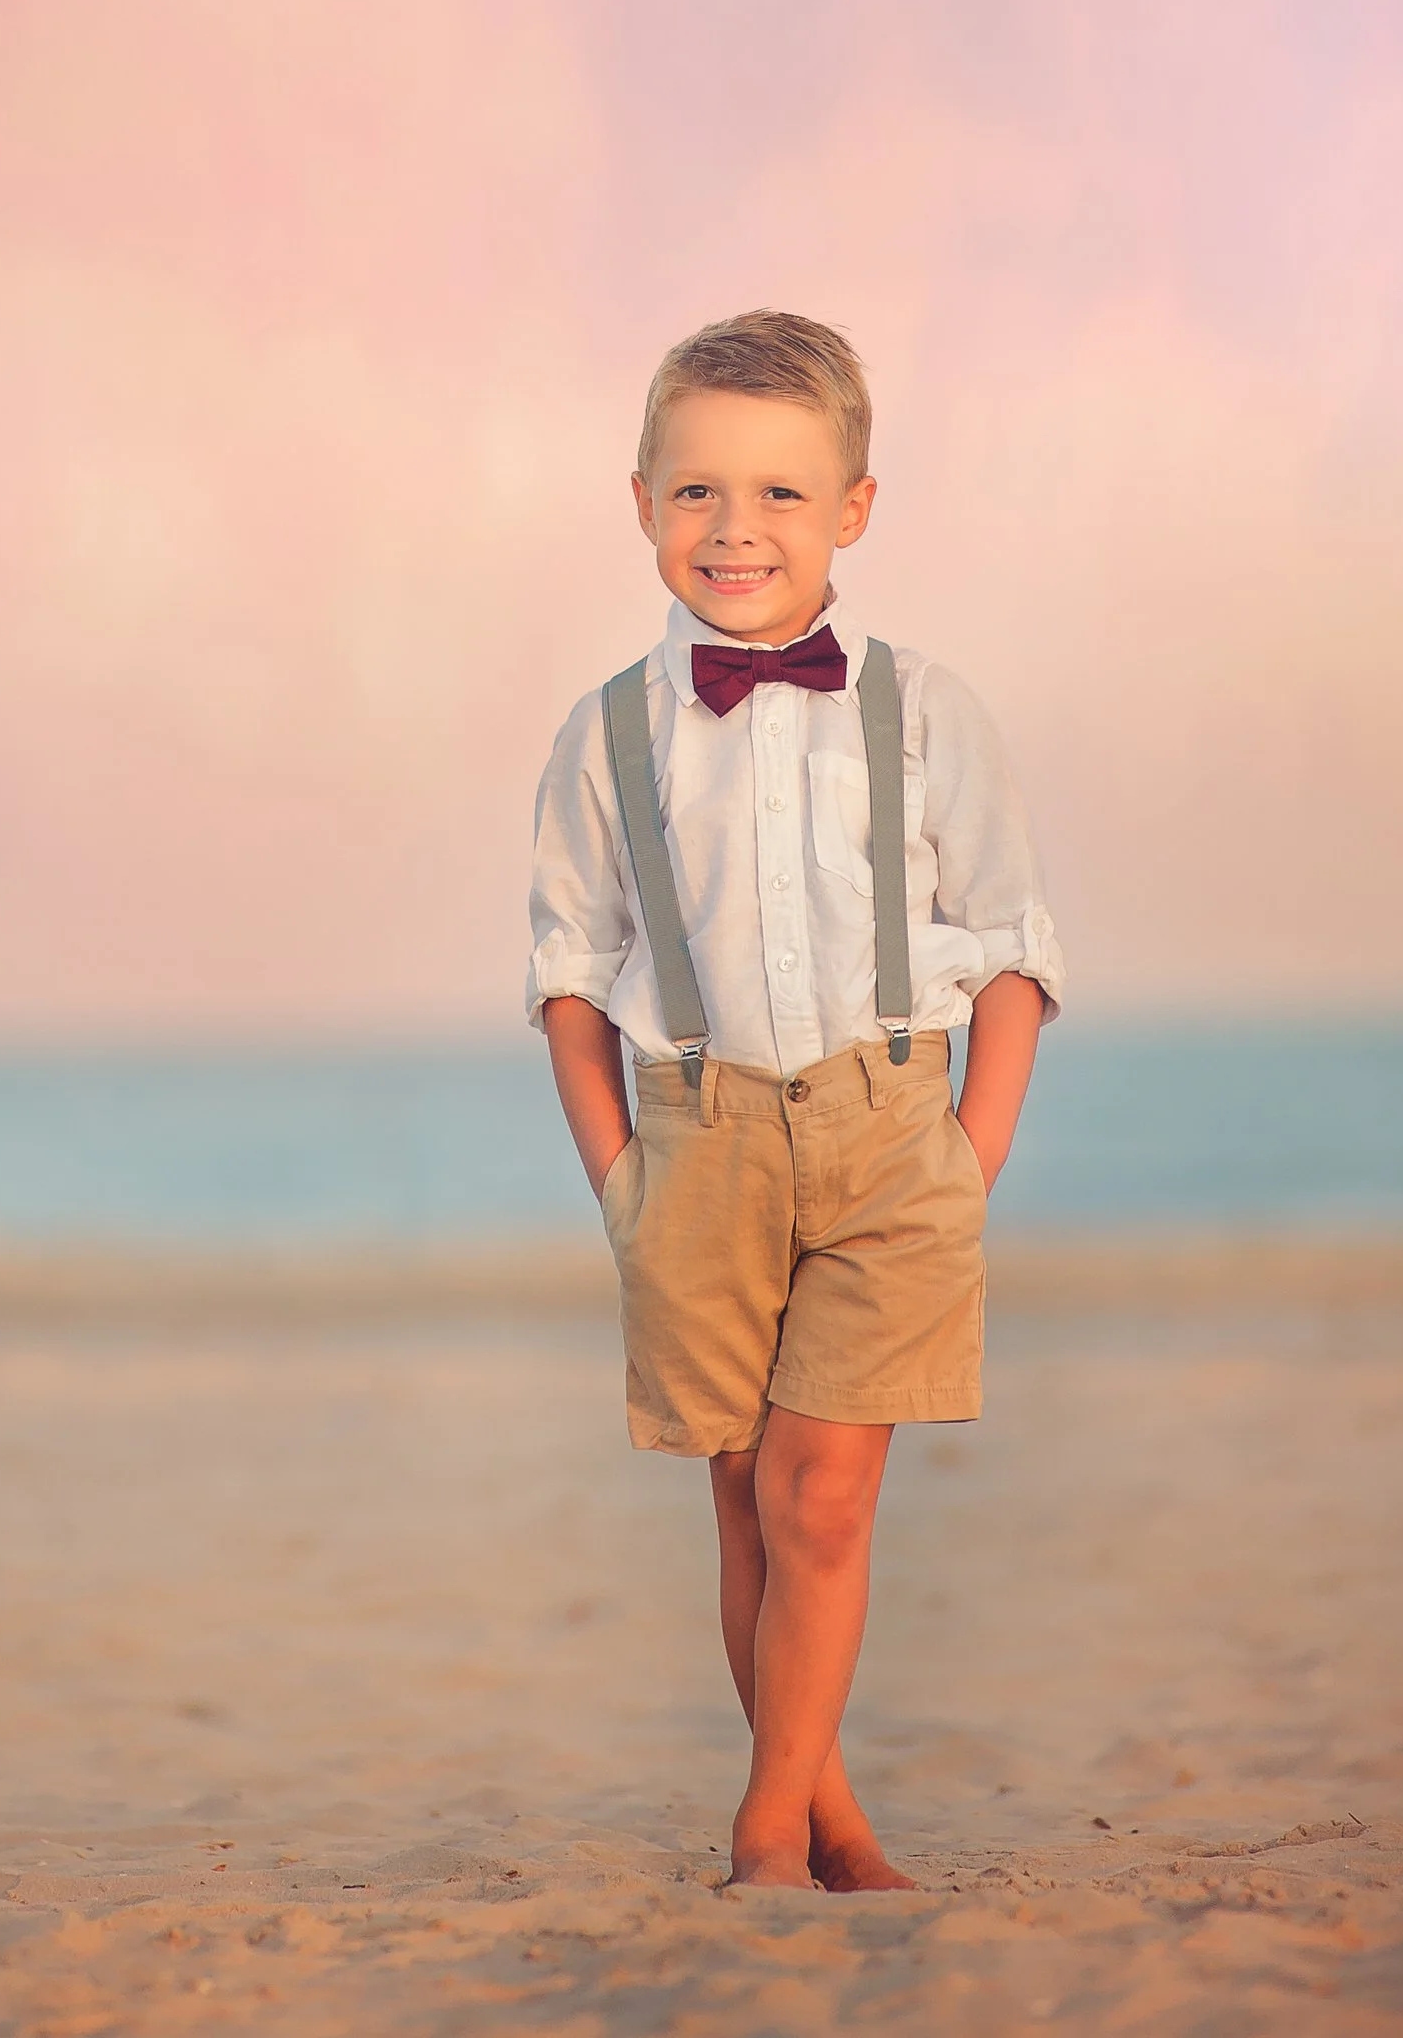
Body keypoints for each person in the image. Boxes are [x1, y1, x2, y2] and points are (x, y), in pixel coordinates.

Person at [528, 309, 1063, 1892]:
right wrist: (623, 1180)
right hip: (694, 1142)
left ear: (854, 508)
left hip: (893, 1134)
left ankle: (767, 1831)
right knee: (748, 1513)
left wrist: (969, 1159)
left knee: (822, 1490)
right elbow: (573, 973)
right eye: (696, 493)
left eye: (776, 493)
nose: (735, 529)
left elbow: (1016, 946)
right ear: (641, 505)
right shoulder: (609, 735)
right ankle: (832, 1819)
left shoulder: (927, 710)